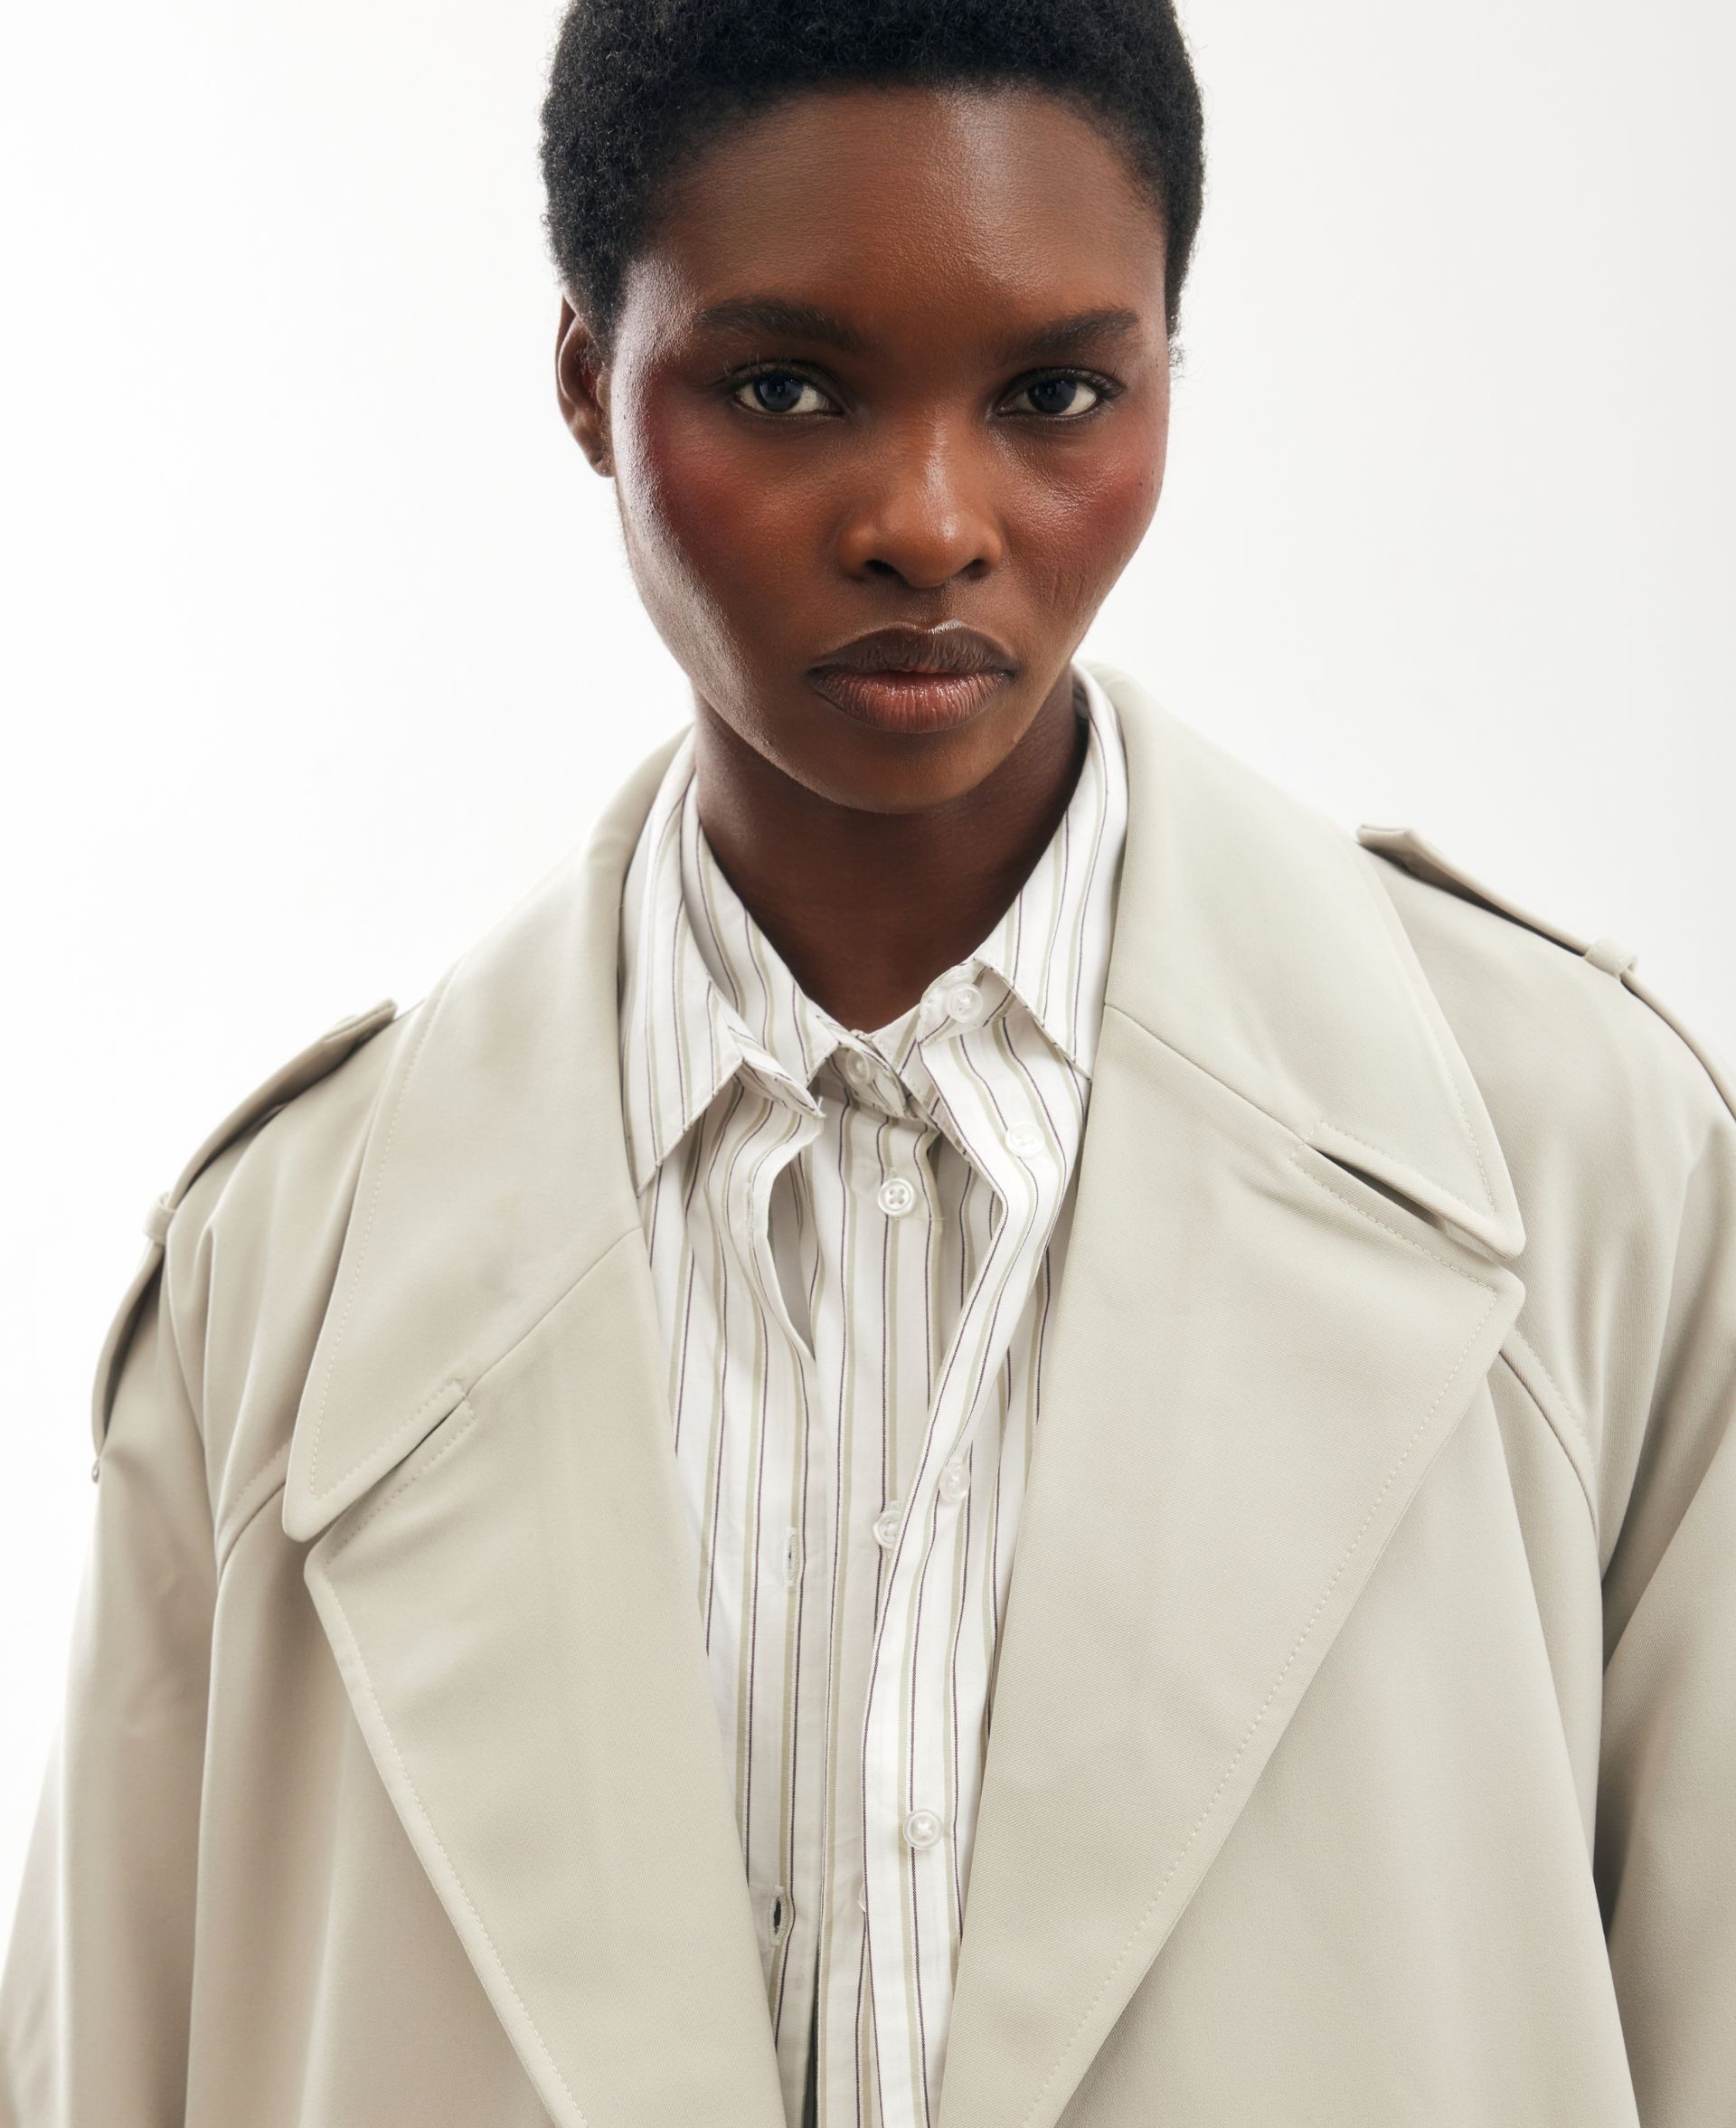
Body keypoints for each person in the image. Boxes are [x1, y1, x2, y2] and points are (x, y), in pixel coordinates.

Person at [3, 2, 1732, 2123]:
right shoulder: (273, 1285)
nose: (929, 519)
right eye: (787, 385)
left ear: (1171, 374)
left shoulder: (1592, 1171)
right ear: (584, 379)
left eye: (1055, 393)